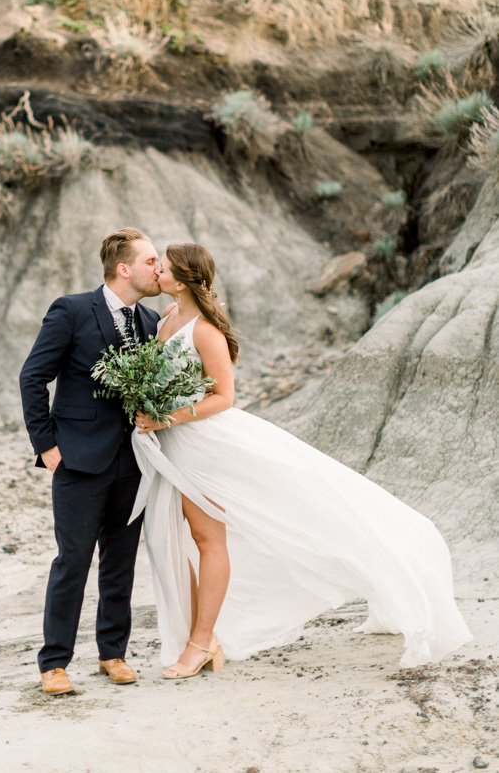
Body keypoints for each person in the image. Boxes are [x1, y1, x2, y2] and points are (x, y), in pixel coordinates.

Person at [131, 242, 472, 679]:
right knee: (191, 538)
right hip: (175, 442)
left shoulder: (203, 331)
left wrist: (167, 416)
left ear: (180, 280)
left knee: (207, 536)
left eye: (162, 266)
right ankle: (204, 638)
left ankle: (201, 642)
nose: (155, 270)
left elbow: (224, 397)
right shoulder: (165, 320)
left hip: (204, 443)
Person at [19, 227, 160, 695]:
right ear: (124, 269)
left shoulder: (151, 320)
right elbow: (33, 377)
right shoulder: (72, 309)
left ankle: (112, 653)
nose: (157, 269)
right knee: (73, 561)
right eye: (150, 261)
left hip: (133, 461)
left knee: (120, 562)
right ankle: (54, 663)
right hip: (77, 460)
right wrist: (47, 447)